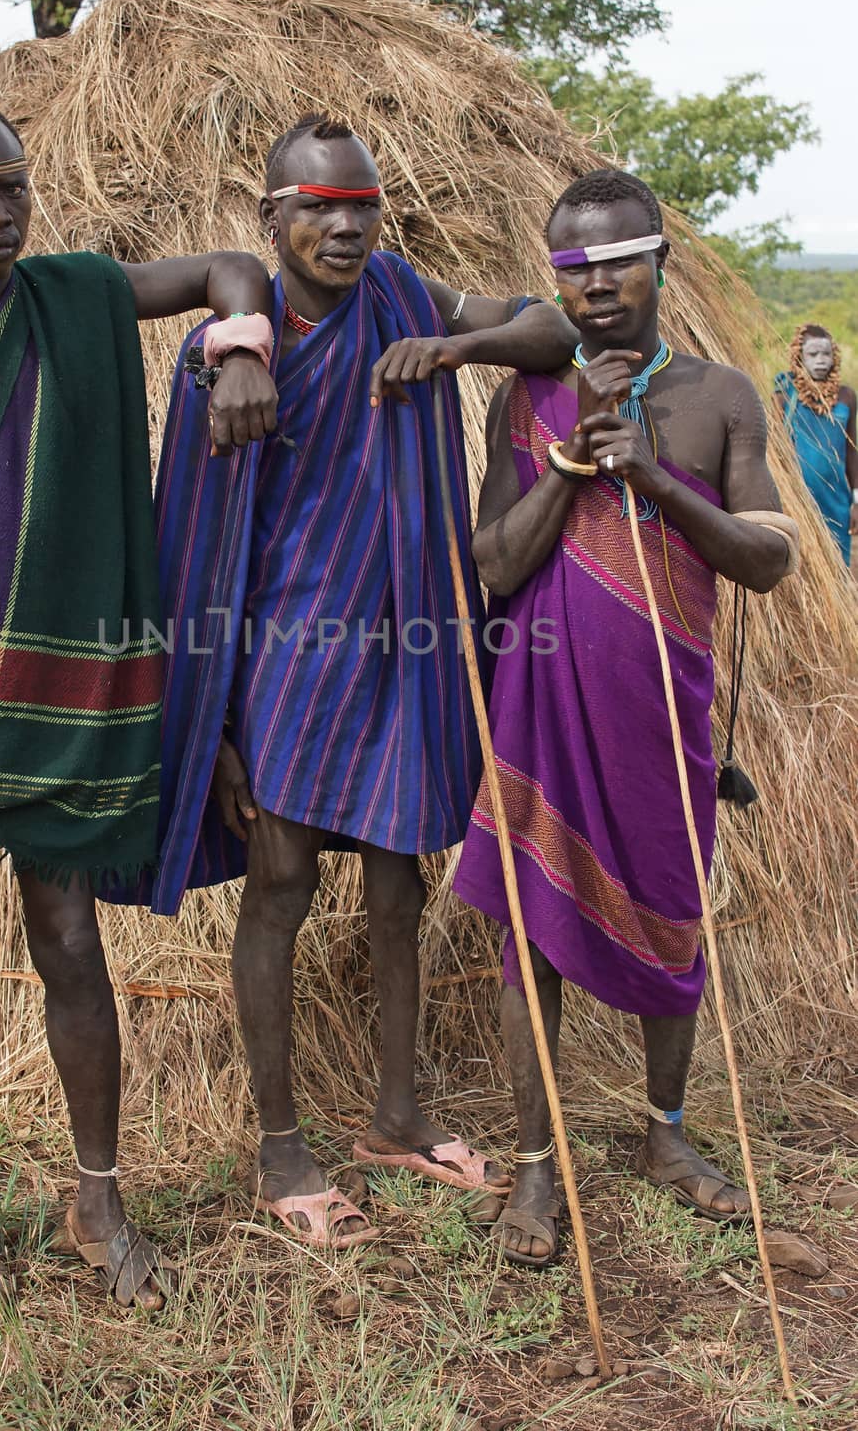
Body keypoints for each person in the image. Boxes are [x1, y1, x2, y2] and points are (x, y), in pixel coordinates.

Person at [0, 92, 277, 1313]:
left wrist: (239, 348)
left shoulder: (71, 300)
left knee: (71, 940)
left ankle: (97, 1196)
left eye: (10, 186)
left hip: (56, 699)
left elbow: (235, 266)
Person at [141, 113, 576, 1249]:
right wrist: (214, 722)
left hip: (402, 644)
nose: (342, 227)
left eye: (361, 206)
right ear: (272, 216)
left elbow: (549, 331)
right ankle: (280, 1143)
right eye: (317, 208)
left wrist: (453, 348)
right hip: (282, 655)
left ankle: (397, 1113)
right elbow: (189, 543)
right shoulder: (230, 353)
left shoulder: (404, 294)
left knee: (399, 885)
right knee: (279, 884)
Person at [454, 169, 799, 1268]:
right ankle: (531, 1167)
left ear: (658, 260)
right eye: (568, 265)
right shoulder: (524, 397)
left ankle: (663, 1133)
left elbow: (768, 559)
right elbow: (494, 563)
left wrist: (650, 474)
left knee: (669, 909)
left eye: (613, 258)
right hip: (542, 702)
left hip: (661, 709)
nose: (593, 282)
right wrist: (566, 462)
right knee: (528, 932)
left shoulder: (719, 397)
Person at [774, 324, 857, 566]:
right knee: (803, 568)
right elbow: (777, 455)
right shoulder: (785, 396)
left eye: (826, 354)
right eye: (813, 354)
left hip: (837, 501)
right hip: (799, 501)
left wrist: (856, 502)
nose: (821, 360)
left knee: (837, 566)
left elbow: (852, 452)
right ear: (799, 358)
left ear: (835, 356)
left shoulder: (846, 398)